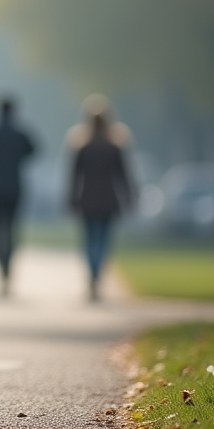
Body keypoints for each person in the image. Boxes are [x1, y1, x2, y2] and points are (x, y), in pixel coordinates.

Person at [66, 98, 133, 301]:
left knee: (89, 240)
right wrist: (129, 197)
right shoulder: (114, 145)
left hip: (87, 199)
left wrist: (71, 197)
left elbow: (75, 176)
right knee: (103, 240)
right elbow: (123, 175)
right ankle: (97, 274)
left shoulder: (81, 145)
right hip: (107, 200)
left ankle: (93, 274)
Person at [0, 96, 36, 296]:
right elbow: (34, 150)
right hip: (15, 187)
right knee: (12, 228)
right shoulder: (20, 133)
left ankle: (1, 264)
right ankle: (8, 264)